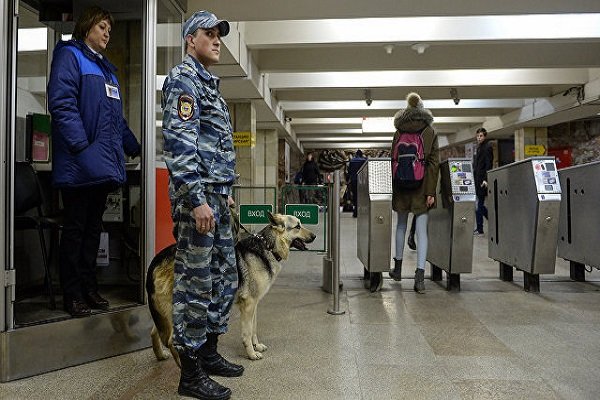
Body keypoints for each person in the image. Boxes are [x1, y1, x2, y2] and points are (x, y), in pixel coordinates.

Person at [161, 10, 242, 400]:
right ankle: (190, 372)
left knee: (227, 273)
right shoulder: (183, 80)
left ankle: (208, 350)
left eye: (219, 35)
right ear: (190, 39)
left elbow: (216, 146)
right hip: (199, 200)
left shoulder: (209, 85)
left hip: (216, 196)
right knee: (195, 282)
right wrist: (195, 200)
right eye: (209, 34)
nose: (217, 40)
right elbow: (179, 145)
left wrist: (222, 192)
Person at [47, 6, 140, 318]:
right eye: (102, 27)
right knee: (75, 230)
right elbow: (61, 103)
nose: (107, 33)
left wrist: (133, 145)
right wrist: (80, 145)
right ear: (87, 27)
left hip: (101, 165)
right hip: (79, 164)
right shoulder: (70, 56)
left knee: (92, 230)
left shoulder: (106, 70)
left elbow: (116, 120)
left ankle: (89, 288)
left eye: (109, 29)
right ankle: (71, 293)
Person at [388, 93, 439, 293]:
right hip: (422, 186)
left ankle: (398, 269)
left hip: (401, 184)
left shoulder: (398, 131)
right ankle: (419, 278)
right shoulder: (429, 131)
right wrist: (430, 191)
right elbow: (433, 164)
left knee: (400, 225)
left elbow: (393, 160)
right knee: (421, 230)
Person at [473, 127, 493, 235]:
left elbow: (488, 164)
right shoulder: (479, 147)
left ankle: (480, 229)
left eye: (481, 136)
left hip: (482, 181)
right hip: (476, 179)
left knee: (478, 205)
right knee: (479, 204)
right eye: (477, 136)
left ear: (485, 136)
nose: (479, 138)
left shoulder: (487, 147)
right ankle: (493, 220)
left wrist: (486, 179)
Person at [347, 149, 367, 217]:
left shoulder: (352, 161)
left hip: (353, 181)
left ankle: (355, 212)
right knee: (362, 196)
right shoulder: (364, 160)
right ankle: (361, 211)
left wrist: (348, 180)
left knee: (355, 196)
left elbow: (349, 171)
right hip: (362, 181)